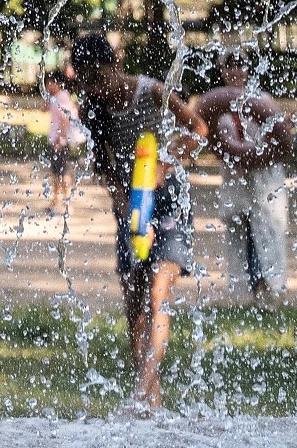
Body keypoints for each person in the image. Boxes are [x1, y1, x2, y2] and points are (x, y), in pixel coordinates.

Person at [68, 31, 209, 410]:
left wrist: (164, 163)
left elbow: (198, 129)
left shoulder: (152, 91)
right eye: (87, 81)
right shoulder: (92, 110)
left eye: (99, 77)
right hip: (133, 204)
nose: (96, 88)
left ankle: (143, 388)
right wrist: (126, 203)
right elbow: (105, 170)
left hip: (170, 199)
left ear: (116, 64)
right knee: (135, 301)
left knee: (159, 288)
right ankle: (152, 398)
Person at [192, 47, 296, 298]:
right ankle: (243, 288)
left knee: (268, 227)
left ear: (248, 69)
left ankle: (270, 286)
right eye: (230, 66)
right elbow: (211, 138)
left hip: (265, 178)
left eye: (240, 65)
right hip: (235, 178)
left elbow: (281, 139)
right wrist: (237, 153)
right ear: (222, 70)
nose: (235, 70)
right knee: (240, 227)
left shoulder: (263, 101)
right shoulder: (216, 104)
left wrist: (255, 154)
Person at [42, 70, 87, 216]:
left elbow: (65, 119)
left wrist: (60, 139)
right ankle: (55, 202)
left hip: (59, 141)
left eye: (50, 83)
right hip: (55, 139)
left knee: (62, 172)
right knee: (56, 173)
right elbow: (44, 110)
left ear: (57, 83)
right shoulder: (57, 97)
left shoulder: (62, 97)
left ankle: (67, 203)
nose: (48, 85)